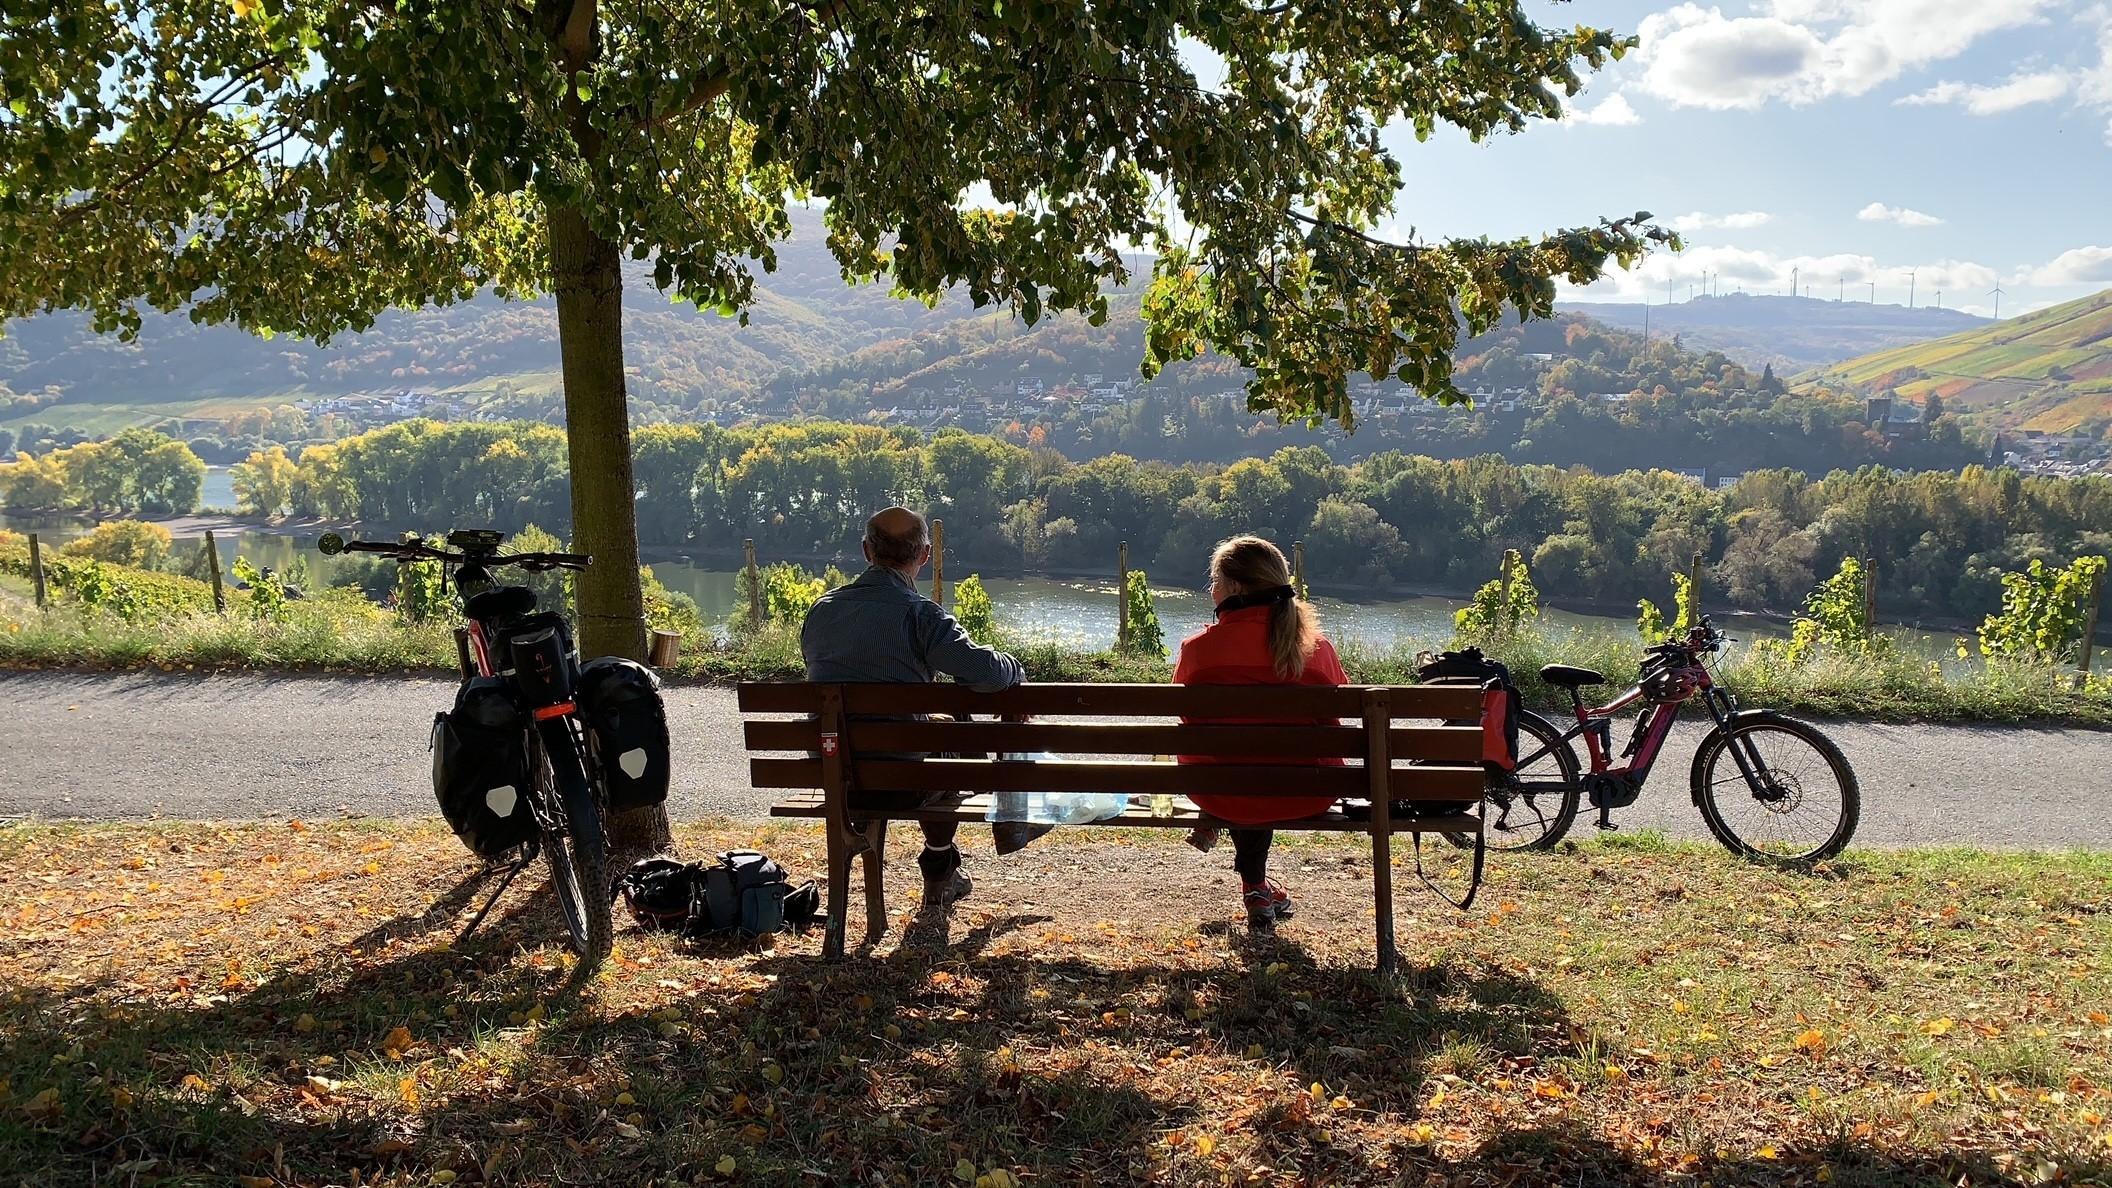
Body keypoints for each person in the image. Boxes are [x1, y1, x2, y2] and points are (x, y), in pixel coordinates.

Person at [801, 506, 1025, 909]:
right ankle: (942, 864)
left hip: (836, 774)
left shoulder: (821, 611)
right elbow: (987, 674)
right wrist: (1016, 669)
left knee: (943, 724)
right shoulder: (921, 615)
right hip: (904, 781)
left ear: (867, 551)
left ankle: (944, 860)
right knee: (948, 734)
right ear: (924, 555)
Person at [1173, 535, 1348, 931]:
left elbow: (1187, 719)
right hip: (1307, 792)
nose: (1212, 590)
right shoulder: (1317, 649)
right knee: (1263, 768)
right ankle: (1256, 886)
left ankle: (1253, 883)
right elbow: (1335, 718)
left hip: (1219, 791)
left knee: (1239, 771)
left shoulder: (1198, 650)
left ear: (1235, 587)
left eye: (1215, 581)